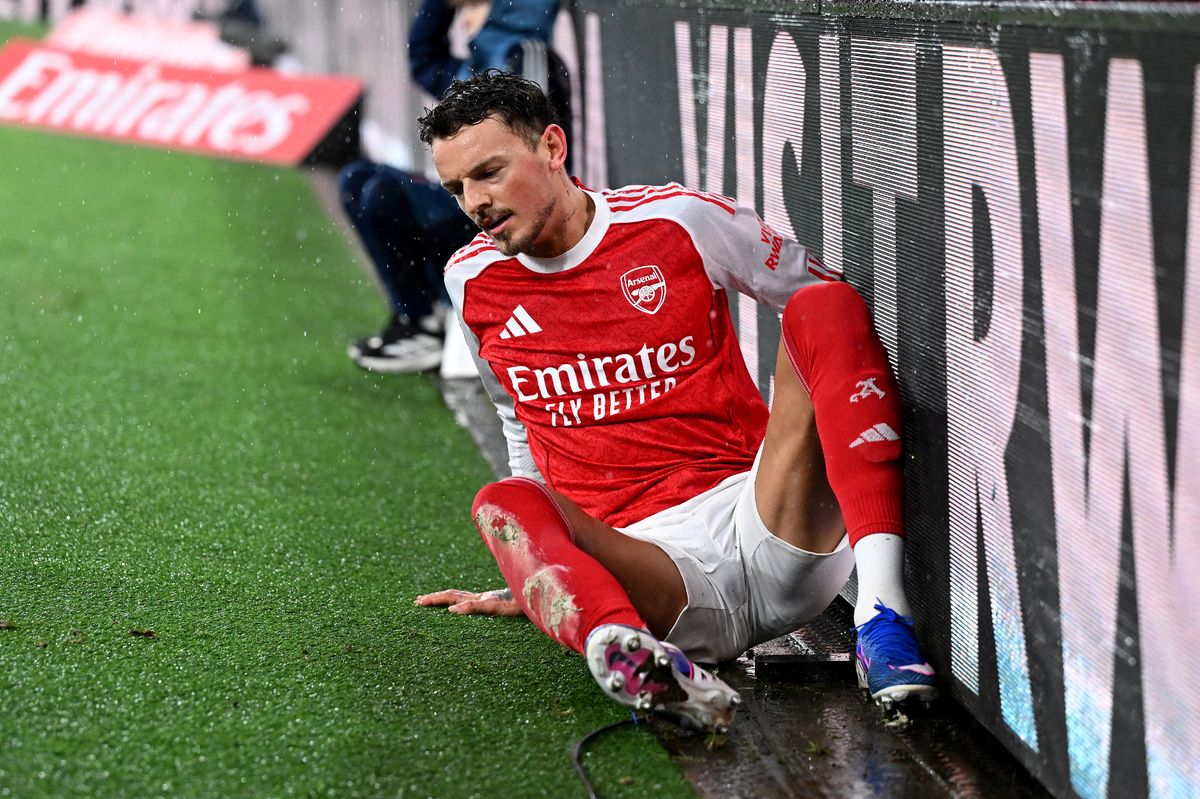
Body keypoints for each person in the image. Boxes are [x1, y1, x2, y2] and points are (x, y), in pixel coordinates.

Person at [413, 70, 936, 733]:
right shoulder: (471, 280)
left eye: (489, 172)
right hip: (656, 580)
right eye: (457, 187)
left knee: (825, 306)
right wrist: (545, 572)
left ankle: (883, 621)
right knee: (502, 502)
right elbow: (522, 423)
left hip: (768, 523)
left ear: (552, 146)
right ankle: (627, 651)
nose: (475, 202)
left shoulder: (677, 219)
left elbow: (830, 320)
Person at [343, 0, 569, 374]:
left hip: (512, 218)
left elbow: (540, 154)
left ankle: (427, 321)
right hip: (478, 210)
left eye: (474, 5)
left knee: (382, 193)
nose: (462, 17)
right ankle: (419, 319)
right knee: (358, 179)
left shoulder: (524, 54)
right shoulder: (477, 66)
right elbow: (425, 58)